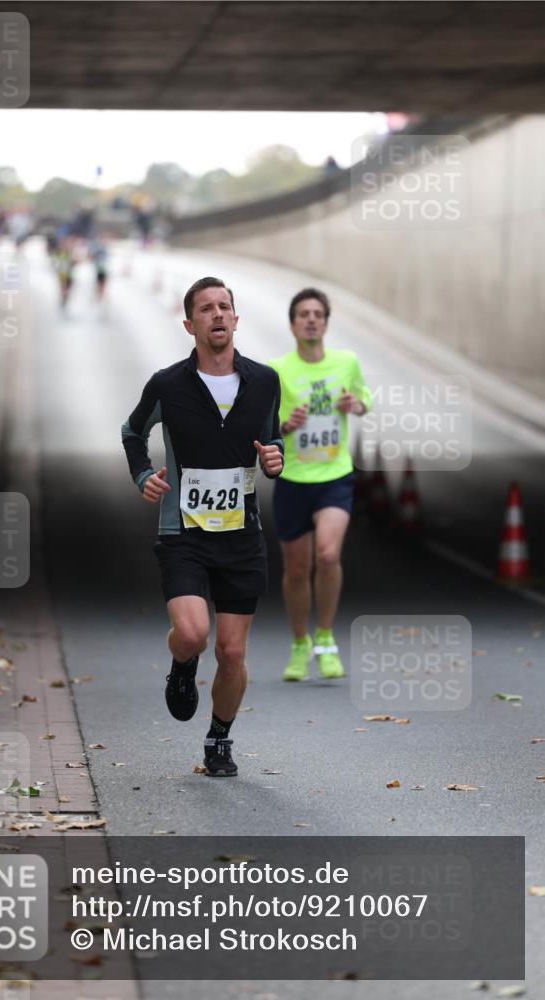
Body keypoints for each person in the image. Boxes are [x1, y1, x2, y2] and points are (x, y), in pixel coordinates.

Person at [121, 277, 283, 776]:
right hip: (183, 534)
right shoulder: (168, 385)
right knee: (192, 634)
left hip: (241, 534)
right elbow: (132, 432)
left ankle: (218, 740)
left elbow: (272, 444)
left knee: (232, 650)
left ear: (236, 319)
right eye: (206, 309)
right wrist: (144, 474)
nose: (217, 315)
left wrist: (276, 460)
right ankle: (182, 664)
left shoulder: (264, 381)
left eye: (225, 307)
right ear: (190, 324)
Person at [268, 288, 372, 681]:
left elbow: (365, 399)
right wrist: (285, 426)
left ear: (326, 322)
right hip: (293, 478)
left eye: (317, 314)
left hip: (334, 476)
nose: (311, 319)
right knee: (296, 570)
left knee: (327, 555)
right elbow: (263, 424)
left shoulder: (347, 362)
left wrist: (354, 405)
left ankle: (325, 638)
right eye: (303, 314)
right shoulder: (276, 369)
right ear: (292, 323)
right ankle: (300, 644)